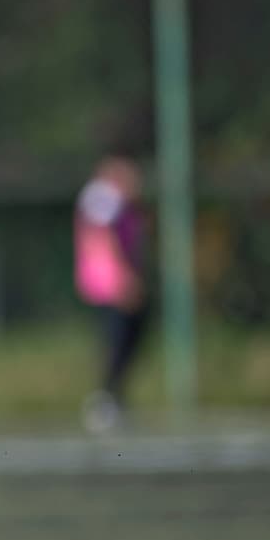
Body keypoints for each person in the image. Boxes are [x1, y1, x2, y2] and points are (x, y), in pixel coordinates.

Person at [74, 154, 150, 432]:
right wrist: (122, 278)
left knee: (129, 341)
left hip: (118, 283)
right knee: (115, 342)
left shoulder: (121, 202)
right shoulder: (102, 197)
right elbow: (100, 240)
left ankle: (114, 398)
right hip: (110, 286)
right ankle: (105, 400)